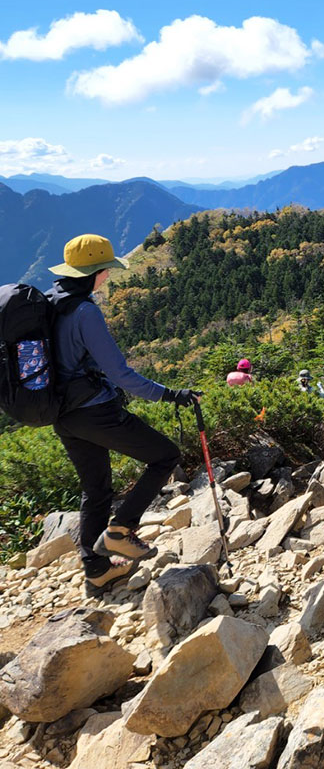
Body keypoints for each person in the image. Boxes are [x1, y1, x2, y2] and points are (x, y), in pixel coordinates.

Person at [46, 234, 199, 596]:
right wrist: (169, 395)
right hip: (95, 411)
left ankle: (96, 571)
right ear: (96, 272)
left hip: (62, 413)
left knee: (95, 489)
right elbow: (121, 374)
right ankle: (120, 531)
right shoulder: (85, 312)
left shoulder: (52, 304)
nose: (108, 277)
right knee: (165, 456)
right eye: (106, 270)